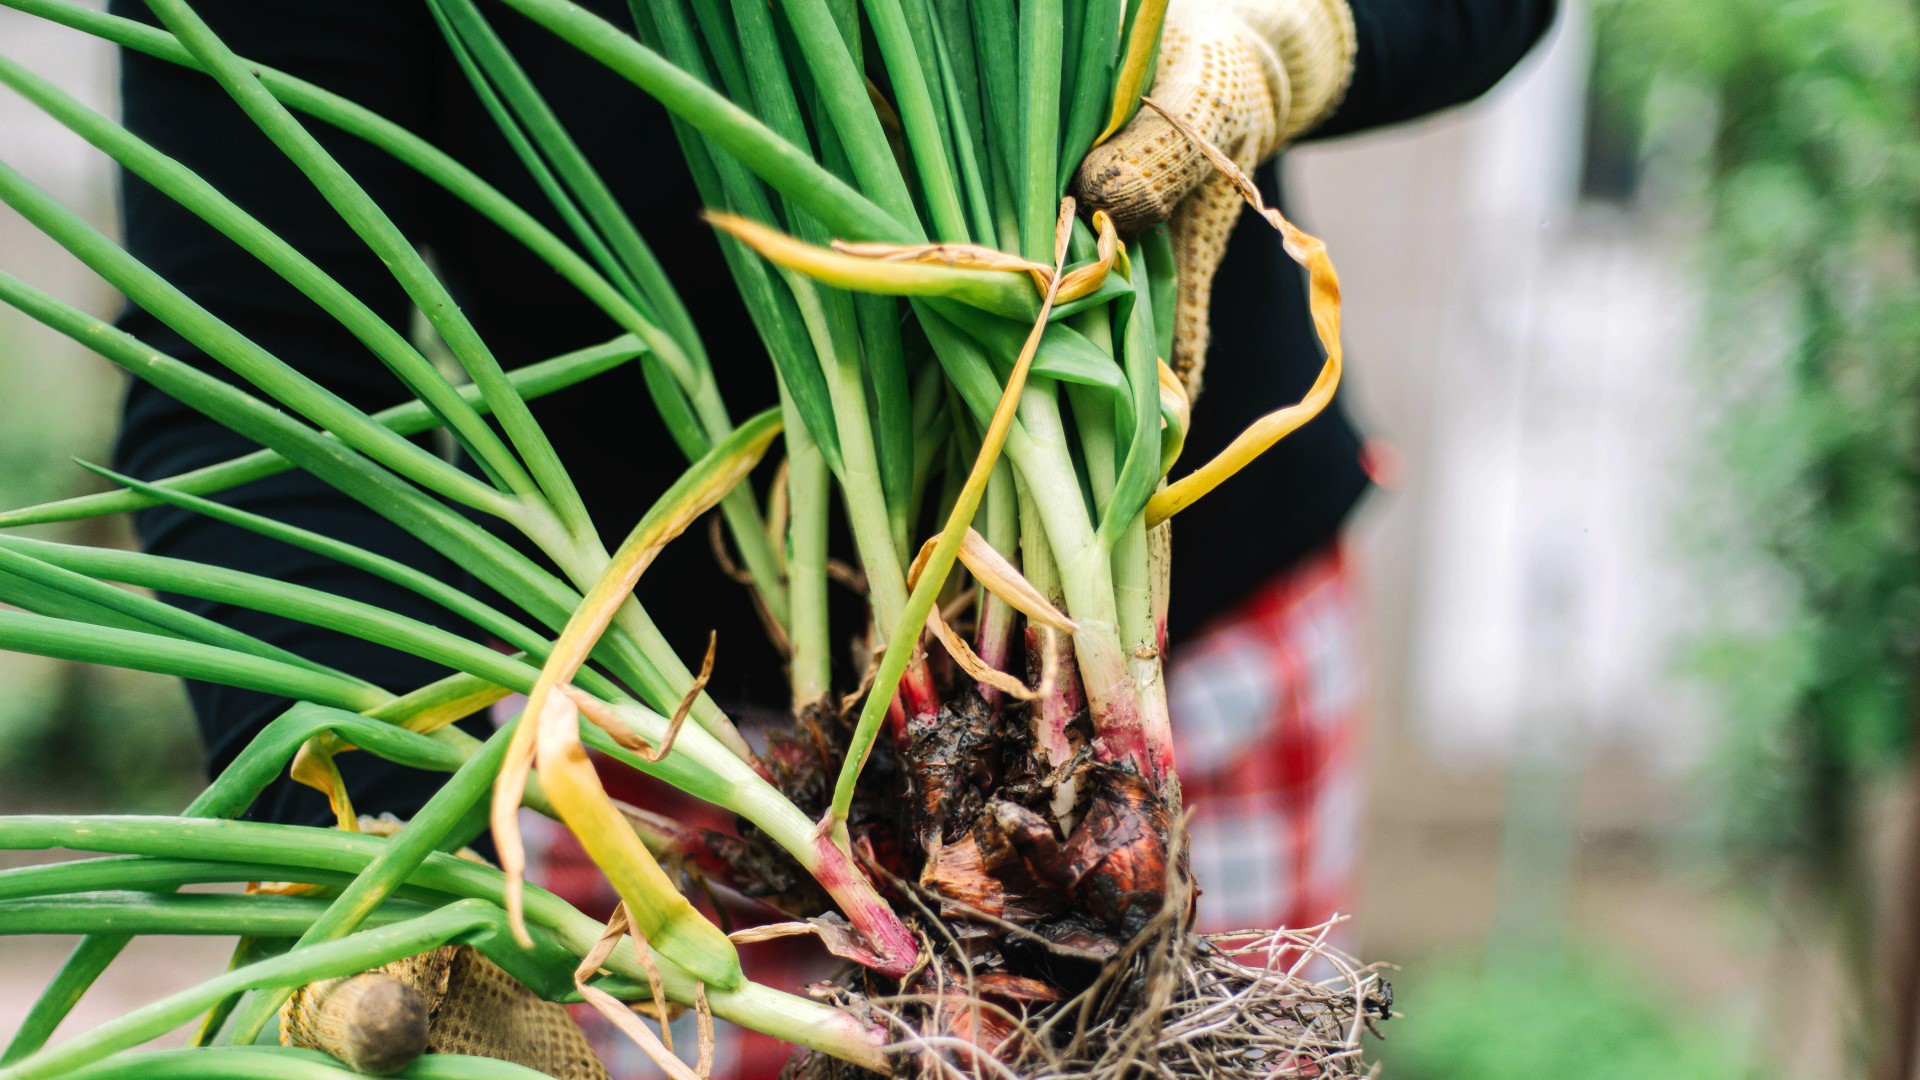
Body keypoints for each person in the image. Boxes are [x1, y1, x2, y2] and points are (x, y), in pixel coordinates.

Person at [109, 0, 1556, 1072]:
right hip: (645, 763)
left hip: (1189, 649)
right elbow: (244, 376)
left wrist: (1281, 32)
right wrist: (351, 848)